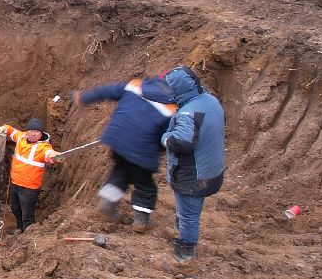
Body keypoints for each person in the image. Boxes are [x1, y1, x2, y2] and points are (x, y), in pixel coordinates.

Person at [69, 72, 180, 228]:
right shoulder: (172, 108)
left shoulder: (136, 86)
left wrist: (84, 97)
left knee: (120, 171)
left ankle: (108, 201)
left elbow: (106, 91)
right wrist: (159, 150)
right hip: (142, 148)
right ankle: (141, 220)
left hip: (116, 138)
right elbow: (165, 137)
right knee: (145, 185)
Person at [160, 66, 225, 263]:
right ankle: (184, 231)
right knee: (190, 210)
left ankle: (185, 254)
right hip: (212, 169)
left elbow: (182, 143)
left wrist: (166, 137)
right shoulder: (210, 101)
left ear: (178, 90)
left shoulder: (188, 113)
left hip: (194, 176)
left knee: (188, 214)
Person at [0, 117, 60, 232]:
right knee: (15, 209)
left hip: (29, 189)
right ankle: (19, 231)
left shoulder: (43, 147)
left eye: (36, 131)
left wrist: (56, 156)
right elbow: (13, 132)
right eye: (31, 130)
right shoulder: (22, 137)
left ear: (41, 134)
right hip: (16, 184)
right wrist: (5, 128)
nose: (33, 134)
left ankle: (26, 238)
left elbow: (49, 155)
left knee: (27, 215)